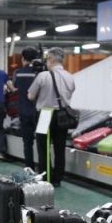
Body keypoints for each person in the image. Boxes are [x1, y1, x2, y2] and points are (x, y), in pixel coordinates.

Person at [28, 47, 75, 187]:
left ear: (51, 59)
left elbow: (30, 96)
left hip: (45, 115)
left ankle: (46, 176)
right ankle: (58, 178)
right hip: (62, 115)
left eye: (47, 59)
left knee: (43, 148)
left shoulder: (43, 76)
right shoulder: (70, 77)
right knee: (60, 148)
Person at [12, 47, 41, 170]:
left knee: (27, 142)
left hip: (24, 111)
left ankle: (29, 168)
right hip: (39, 112)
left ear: (23, 58)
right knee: (41, 142)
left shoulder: (18, 73)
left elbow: (15, 87)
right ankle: (43, 168)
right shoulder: (39, 73)